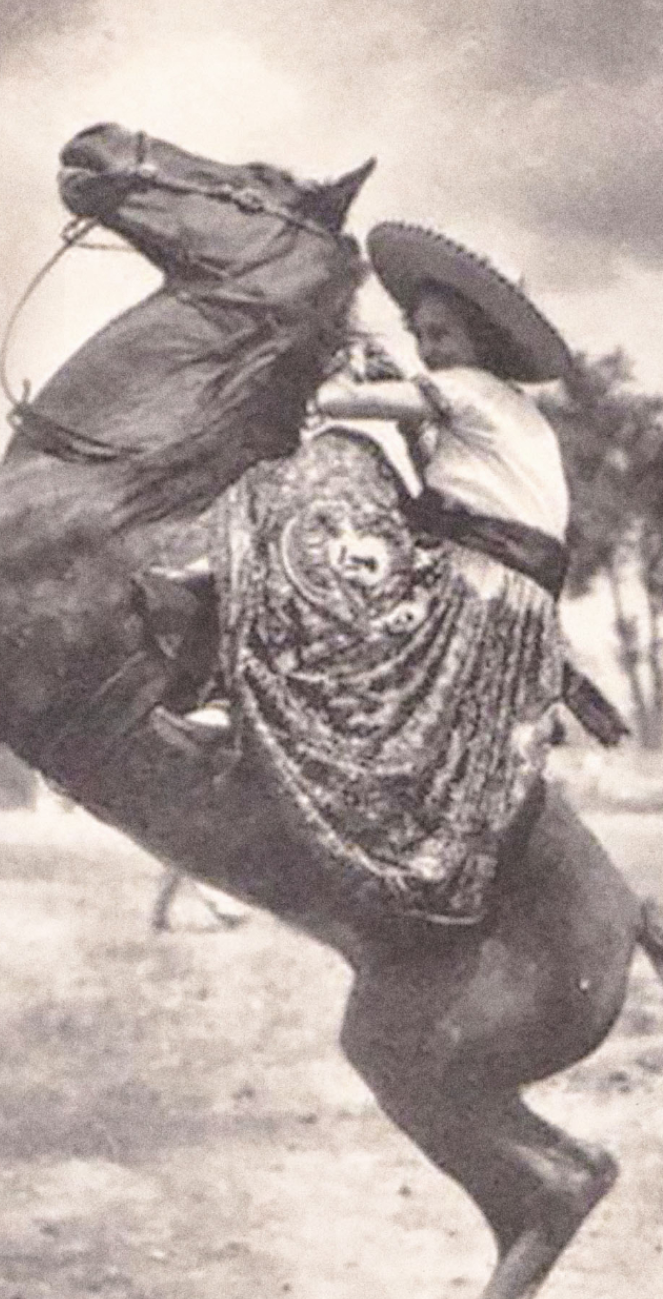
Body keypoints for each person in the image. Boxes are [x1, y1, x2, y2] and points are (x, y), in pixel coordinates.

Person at [191, 223, 621, 923]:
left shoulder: (469, 391)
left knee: (340, 468)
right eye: (421, 333)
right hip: (516, 605)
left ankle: (233, 661)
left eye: (443, 334)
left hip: (477, 583)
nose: (429, 348)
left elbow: (335, 404)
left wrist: (324, 365)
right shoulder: (514, 412)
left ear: (480, 340)